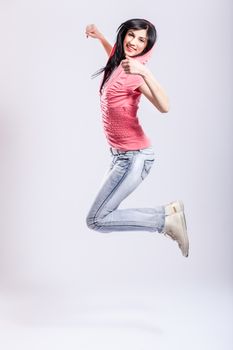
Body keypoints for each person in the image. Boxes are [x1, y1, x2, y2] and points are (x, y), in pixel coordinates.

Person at [85, 19, 189, 257]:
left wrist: (145, 72)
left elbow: (165, 106)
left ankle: (164, 219)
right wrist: (100, 36)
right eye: (131, 35)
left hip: (135, 158)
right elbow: (115, 54)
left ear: (148, 45)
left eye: (141, 40)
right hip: (120, 157)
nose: (133, 42)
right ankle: (168, 215)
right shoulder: (120, 63)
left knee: (97, 219)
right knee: (99, 216)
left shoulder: (136, 74)